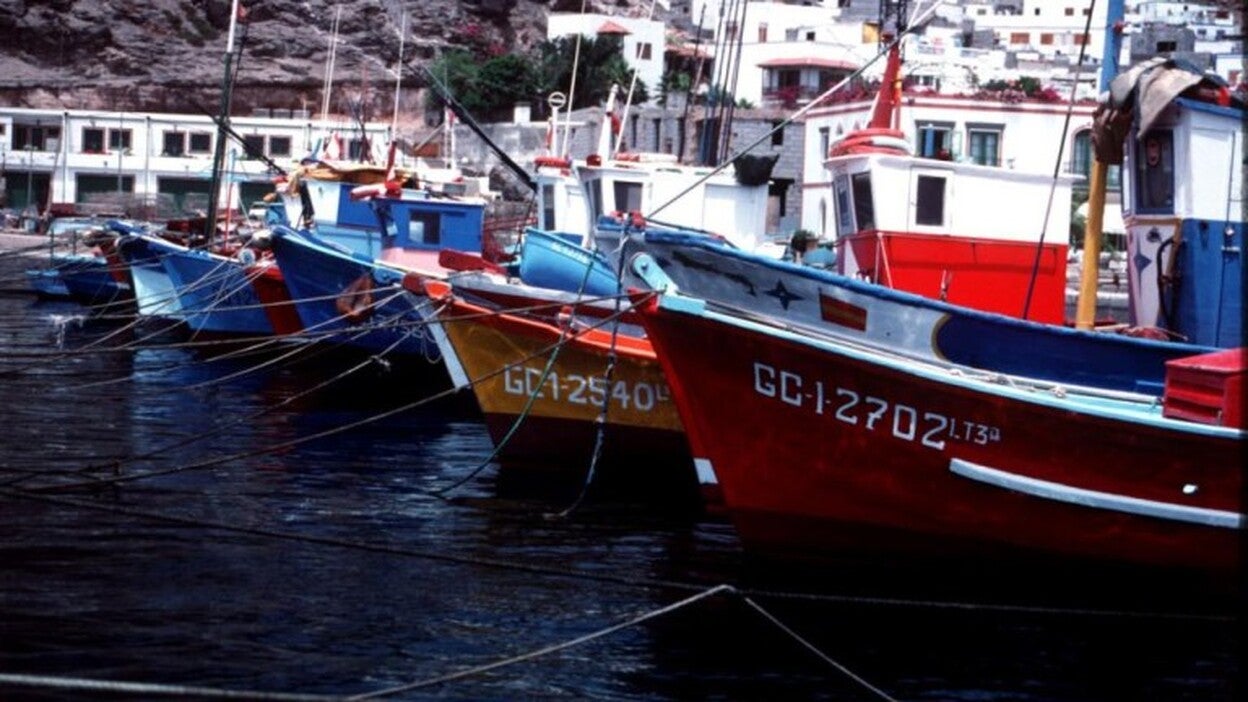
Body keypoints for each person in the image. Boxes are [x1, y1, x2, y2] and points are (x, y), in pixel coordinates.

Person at [1140, 134, 1173, 210]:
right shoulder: (1142, 175)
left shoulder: (1167, 172)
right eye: (1149, 147)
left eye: (1153, 146)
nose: (1152, 151)